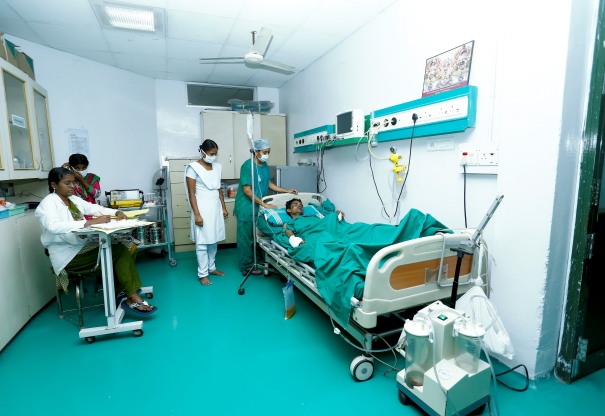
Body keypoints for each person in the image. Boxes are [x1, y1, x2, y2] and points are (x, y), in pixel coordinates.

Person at [35, 167, 157, 315]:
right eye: (67, 183)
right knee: (119, 250)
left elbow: (94, 208)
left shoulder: (72, 199)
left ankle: (121, 291)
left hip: (81, 246)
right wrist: (88, 223)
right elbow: (53, 226)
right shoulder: (48, 203)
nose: (73, 186)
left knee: (129, 245)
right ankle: (131, 295)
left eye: (74, 183)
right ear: (54, 185)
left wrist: (116, 212)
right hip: (68, 255)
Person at [234, 137, 298, 275]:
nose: (267, 155)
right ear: (256, 151)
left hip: (258, 206)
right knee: (246, 238)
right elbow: (247, 190)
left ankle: (257, 261)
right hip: (246, 207)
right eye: (264, 152)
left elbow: (268, 184)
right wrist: (264, 203)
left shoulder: (264, 166)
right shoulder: (248, 166)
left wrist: (286, 191)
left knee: (255, 236)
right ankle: (247, 266)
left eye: (268, 152)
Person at [185, 140, 228, 286]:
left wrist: (223, 207)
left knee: (214, 240)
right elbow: (191, 193)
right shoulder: (193, 168)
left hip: (215, 207)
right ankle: (202, 274)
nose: (213, 156)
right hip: (202, 208)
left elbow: (219, 189)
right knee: (202, 242)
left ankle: (212, 267)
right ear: (202, 152)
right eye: (211, 154)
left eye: (215, 154)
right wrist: (197, 214)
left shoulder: (217, 167)